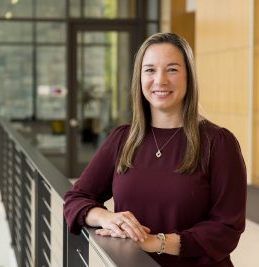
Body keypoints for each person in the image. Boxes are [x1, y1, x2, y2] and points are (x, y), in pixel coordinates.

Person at [63, 32, 246, 267]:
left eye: (172, 69)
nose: (160, 81)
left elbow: (226, 229)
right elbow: (75, 199)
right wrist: (106, 218)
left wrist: (154, 242)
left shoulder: (219, 143)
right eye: (150, 70)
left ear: (188, 77)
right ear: (139, 78)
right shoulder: (123, 139)